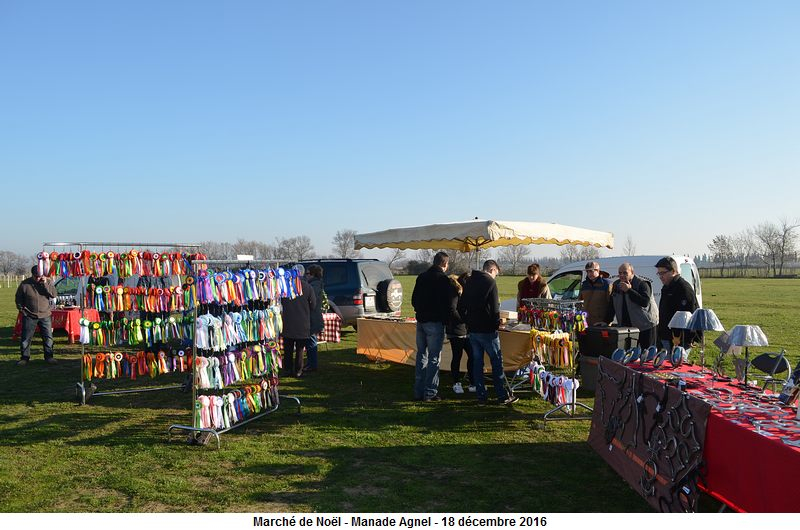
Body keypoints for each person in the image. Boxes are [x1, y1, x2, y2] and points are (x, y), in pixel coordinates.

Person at [459, 260, 519, 405]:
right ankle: (501, 395)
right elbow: (494, 308)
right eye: (496, 273)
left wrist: (467, 321)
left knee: (477, 363)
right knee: (496, 362)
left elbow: (461, 305)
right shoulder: (490, 282)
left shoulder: (470, 281)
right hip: (488, 330)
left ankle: (481, 396)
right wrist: (496, 324)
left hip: (473, 329)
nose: (495, 276)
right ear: (492, 270)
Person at [411, 251, 453, 402]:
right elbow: (447, 304)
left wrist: (420, 311)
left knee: (421, 355)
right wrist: (446, 320)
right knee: (434, 358)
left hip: (421, 321)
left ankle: (418, 391)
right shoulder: (443, 280)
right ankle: (430, 392)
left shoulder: (422, 277)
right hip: (435, 322)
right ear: (444, 264)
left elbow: (414, 300)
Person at [606, 262, 658, 349]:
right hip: (626, 328)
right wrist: (606, 321)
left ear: (632, 272)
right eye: (620, 273)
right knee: (628, 353)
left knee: (647, 353)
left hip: (645, 325)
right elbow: (612, 305)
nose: (622, 275)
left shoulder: (642, 284)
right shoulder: (616, 285)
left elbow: (645, 302)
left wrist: (629, 290)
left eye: (625, 273)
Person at [15, 265, 58, 366]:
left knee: (48, 337)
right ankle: (24, 358)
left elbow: (53, 294)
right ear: (32, 275)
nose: (38, 278)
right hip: (29, 315)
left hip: (45, 315)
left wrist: (45, 283)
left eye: (40, 276)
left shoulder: (48, 282)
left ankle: (49, 357)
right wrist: (22, 310)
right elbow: (18, 298)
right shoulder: (25, 284)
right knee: (26, 338)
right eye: (36, 276)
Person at [656, 256, 699, 352]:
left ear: (673, 271)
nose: (660, 276)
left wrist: (688, 338)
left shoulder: (683, 288)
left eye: (663, 273)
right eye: (659, 273)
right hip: (665, 336)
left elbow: (690, 315)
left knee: (677, 361)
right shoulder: (666, 287)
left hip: (680, 339)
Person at [280, 264, 317, 377]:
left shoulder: (286, 287)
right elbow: (313, 305)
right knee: (300, 350)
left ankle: (287, 369)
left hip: (288, 322)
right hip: (303, 323)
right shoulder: (308, 287)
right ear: (303, 273)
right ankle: (298, 370)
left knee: (288, 349)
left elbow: (281, 303)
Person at [446, 272, 475, 394]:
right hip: (456, 329)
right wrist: (464, 320)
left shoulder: (465, 292)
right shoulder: (455, 291)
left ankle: (472, 382)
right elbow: (452, 309)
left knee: (472, 355)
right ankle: (456, 382)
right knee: (457, 356)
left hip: (466, 329)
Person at [305, 264, 326, 373]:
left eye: (307, 273)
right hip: (313, 316)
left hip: (313, 317)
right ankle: (310, 363)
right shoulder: (315, 284)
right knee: (310, 341)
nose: (306, 276)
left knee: (311, 341)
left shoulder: (314, 285)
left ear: (313, 274)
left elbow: (312, 302)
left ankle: (312, 365)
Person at [579, 261, 612, 326]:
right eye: (587, 272)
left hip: (602, 322)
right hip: (586, 322)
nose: (589, 274)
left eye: (591, 271)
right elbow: (580, 302)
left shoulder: (607, 284)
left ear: (598, 271)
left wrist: (606, 321)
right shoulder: (584, 285)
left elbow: (611, 305)